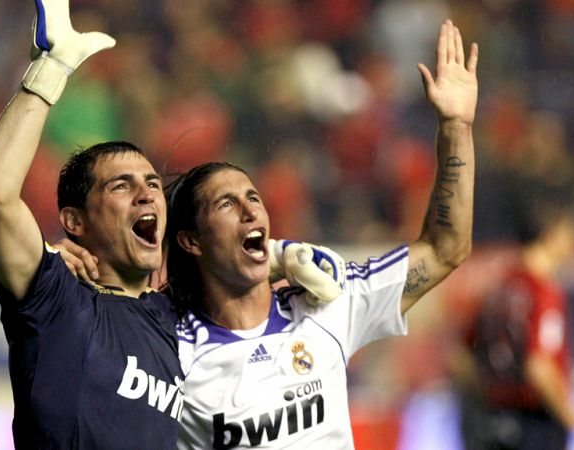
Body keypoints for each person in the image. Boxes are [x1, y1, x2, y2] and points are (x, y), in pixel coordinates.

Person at [164, 20, 477, 448]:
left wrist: (456, 127)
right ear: (192, 240)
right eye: (225, 204)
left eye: (253, 198)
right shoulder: (169, 352)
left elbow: (446, 248)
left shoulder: (326, 305)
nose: (250, 211)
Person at [0, 1, 187, 448]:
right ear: (74, 221)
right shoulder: (56, 299)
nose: (147, 193)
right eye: (121, 186)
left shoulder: (179, 318)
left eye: (151, 183)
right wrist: (51, 69)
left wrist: (284, 257)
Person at [458, 200, 574, 450]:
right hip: (536, 422)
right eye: (570, 234)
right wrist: (568, 412)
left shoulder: (499, 289)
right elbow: (539, 366)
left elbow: (464, 356)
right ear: (550, 235)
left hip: (495, 419)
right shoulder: (543, 293)